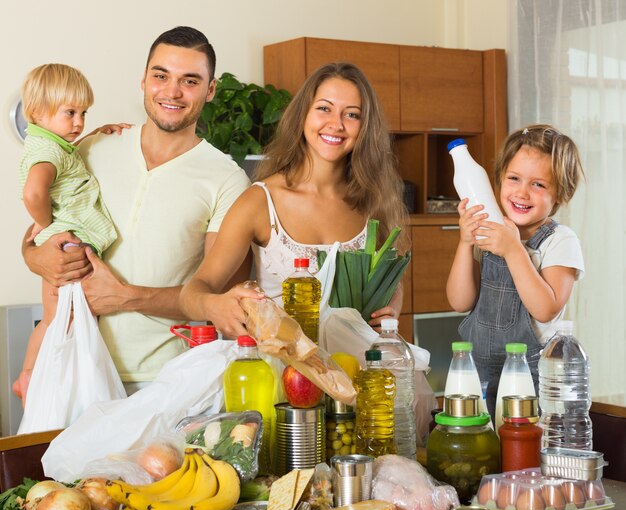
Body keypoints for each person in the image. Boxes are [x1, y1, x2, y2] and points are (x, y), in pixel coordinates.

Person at [20, 26, 250, 396]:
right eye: (161, 76)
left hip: (164, 382)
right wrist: (32, 256)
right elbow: (48, 222)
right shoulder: (92, 146)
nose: (172, 91)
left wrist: (127, 295)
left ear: (210, 90)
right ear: (143, 81)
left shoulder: (228, 179)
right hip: (72, 369)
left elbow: (217, 294)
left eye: (190, 81)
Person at [180, 62, 410, 339]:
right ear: (303, 114)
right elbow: (193, 292)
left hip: (357, 368)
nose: (336, 124)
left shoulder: (375, 201)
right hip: (281, 367)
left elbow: (390, 278)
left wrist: (392, 307)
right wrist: (213, 304)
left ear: (365, 127)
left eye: (352, 114)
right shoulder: (260, 201)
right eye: (324, 108)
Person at [446, 124, 585, 418]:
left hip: (528, 379)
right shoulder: (492, 229)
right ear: (498, 180)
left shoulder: (561, 241)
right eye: (514, 178)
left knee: (521, 452)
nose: (522, 192)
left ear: (560, 194)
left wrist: (513, 249)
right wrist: (464, 242)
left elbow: (545, 309)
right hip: (477, 374)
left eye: (538, 184)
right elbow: (460, 302)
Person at [14, 63, 130, 406]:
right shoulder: (47, 152)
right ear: (38, 112)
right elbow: (33, 193)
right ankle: (29, 375)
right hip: (65, 245)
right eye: (70, 113)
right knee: (55, 320)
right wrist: (45, 225)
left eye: (83, 113)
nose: (78, 121)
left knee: (58, 318)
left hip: (67, 241)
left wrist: (94, 134)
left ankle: (30, 374)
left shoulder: (54, 145)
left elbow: (67, 160)